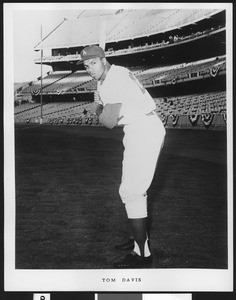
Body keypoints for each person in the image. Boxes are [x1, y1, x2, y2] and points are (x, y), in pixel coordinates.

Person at [77, 45, 166, 268]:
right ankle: (138, 240)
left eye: (93, 63)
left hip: (143, 128)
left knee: (131, 192)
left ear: (103, 59)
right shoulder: (112, 75)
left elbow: (108, 122)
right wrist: (101, 100)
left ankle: (143, 255)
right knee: (132, 191)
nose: (90, 68)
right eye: (86, 65)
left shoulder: (113, 81)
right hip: (139, 127)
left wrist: (97, 106)